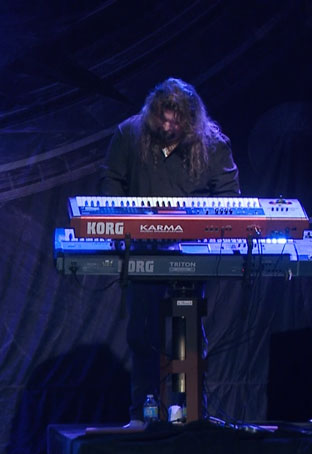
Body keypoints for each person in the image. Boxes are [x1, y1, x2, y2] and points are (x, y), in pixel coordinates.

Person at [99, 78, 240, 427]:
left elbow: (229, 199)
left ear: (190, 120)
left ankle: (187, 413)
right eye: (161, 119)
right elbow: (111, 183)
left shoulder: (212, 144)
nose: (166, 127)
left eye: (175, 122)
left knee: (186, 336)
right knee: (142, 334)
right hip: (143, 251)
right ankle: (143, 414)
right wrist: (121, 223)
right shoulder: (130, 134)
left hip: (192, 255)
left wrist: (202, 228)